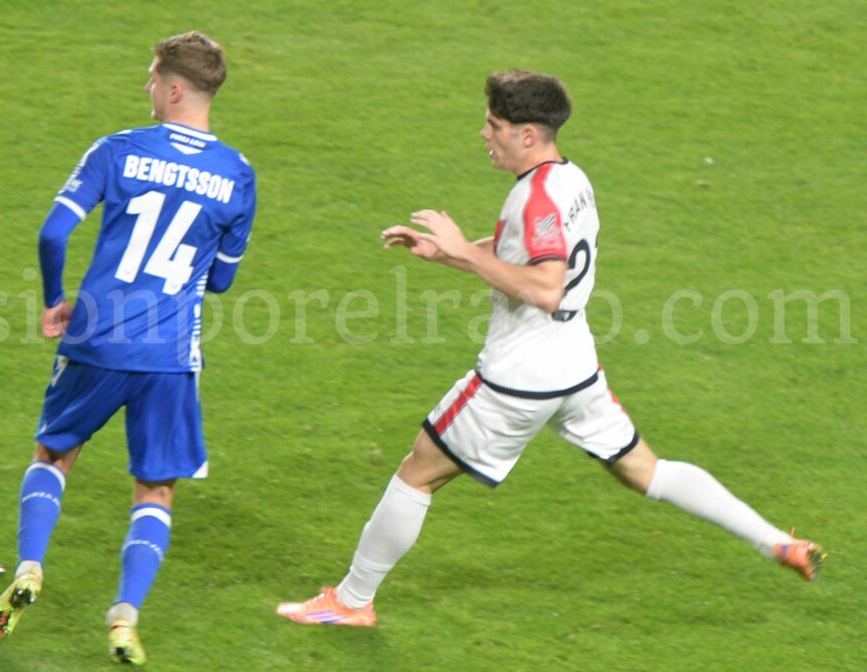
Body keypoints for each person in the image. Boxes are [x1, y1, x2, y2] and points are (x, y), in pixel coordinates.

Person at [276, 70, 823, 627]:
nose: (484, 134)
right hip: (575, 369)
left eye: (494, 125)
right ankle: (774, 541)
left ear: (528, 134)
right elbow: (534, 251)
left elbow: (544, 287)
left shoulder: (534, 197)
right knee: (646, 471)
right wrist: (450, 253)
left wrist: (463, 250)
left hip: (517, 379)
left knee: (419, 471)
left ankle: (352, 600)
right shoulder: (571, 180)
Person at [0, 31, 256, 665]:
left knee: (53, 454)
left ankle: (27, 569)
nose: (146, 87)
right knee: (154, 490)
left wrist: (56, 298)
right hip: (168, 356)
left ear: (175, 88)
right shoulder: (237, 174)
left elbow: (54, 231)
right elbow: (222, 279)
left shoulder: (119, 150)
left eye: (152, 77)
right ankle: (125, 618)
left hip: (96, 338)